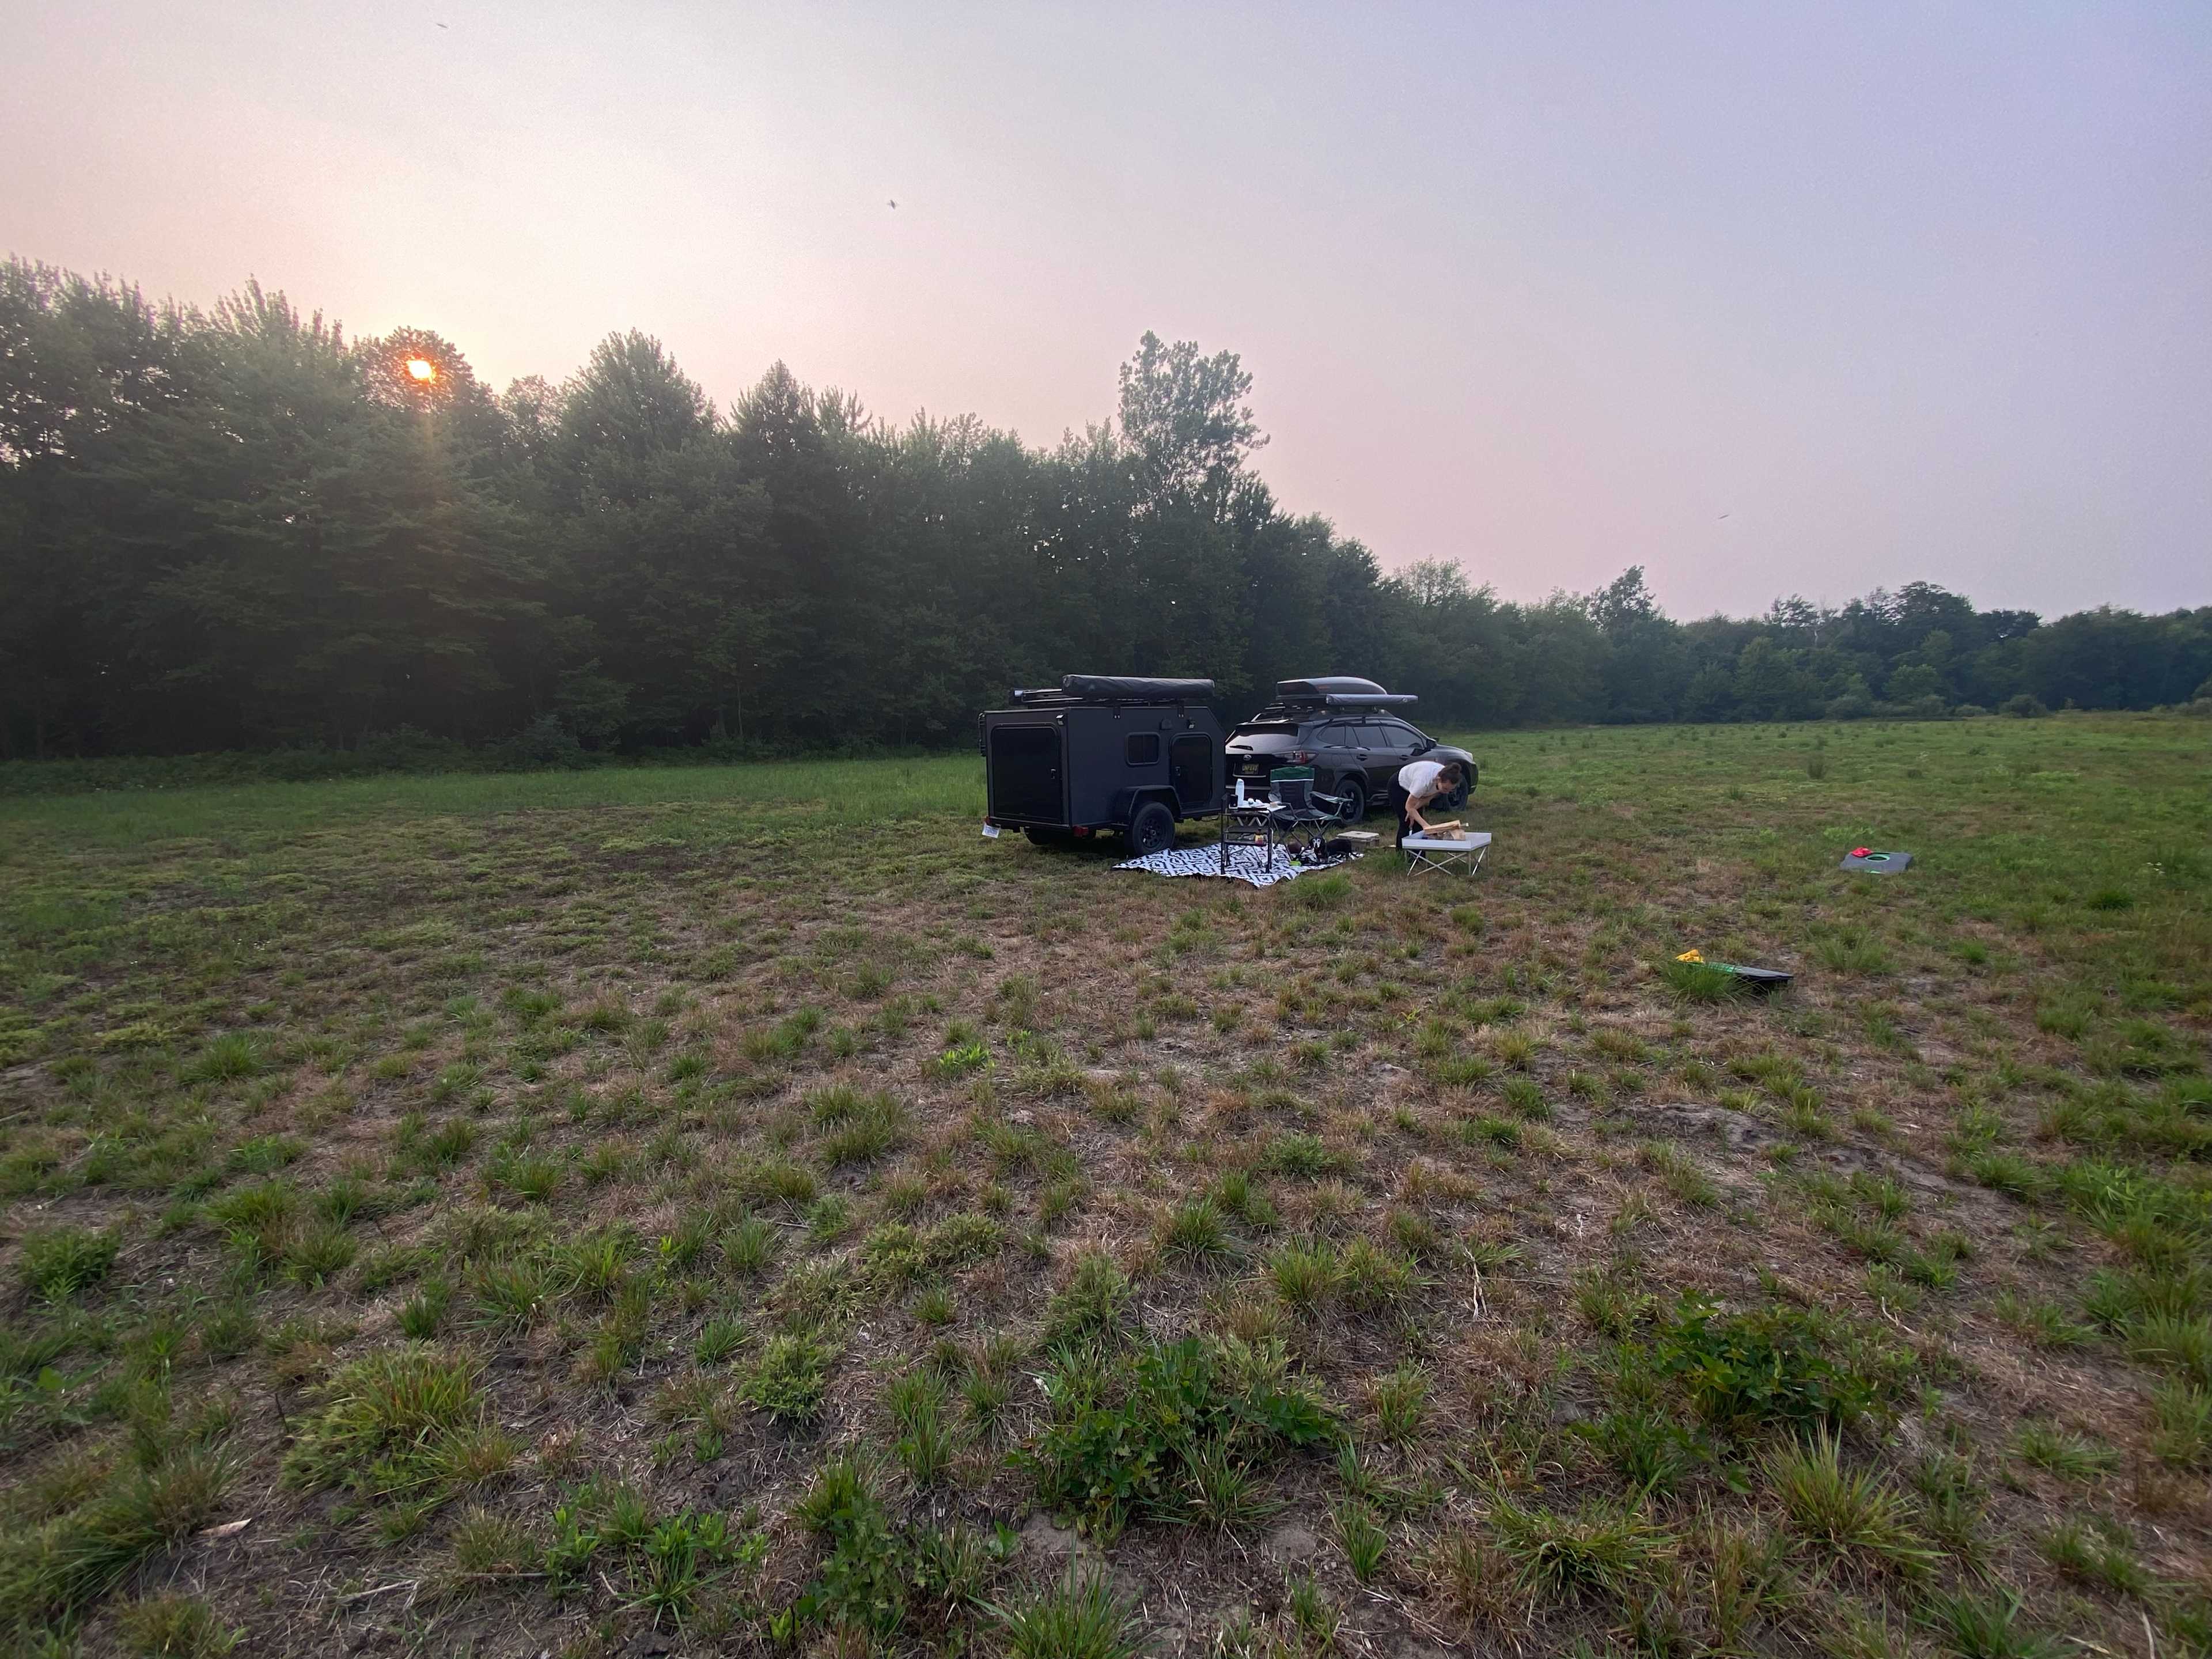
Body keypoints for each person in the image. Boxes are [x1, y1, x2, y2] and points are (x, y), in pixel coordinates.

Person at [1390, 756, 1463, 847]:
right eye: (1445, 789)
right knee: (1406, 822)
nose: (1447, 792)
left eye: (1450, 790)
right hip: (1399, 785)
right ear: (1438, 780)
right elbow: (1409, 806)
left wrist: (1413, 812)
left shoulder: (1446, 775)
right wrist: (1426, 826)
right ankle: (1402, 855)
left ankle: (1419, 857)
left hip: (1416, 788)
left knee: (1417, 824)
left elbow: (1426, 798)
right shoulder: (1423, 782)